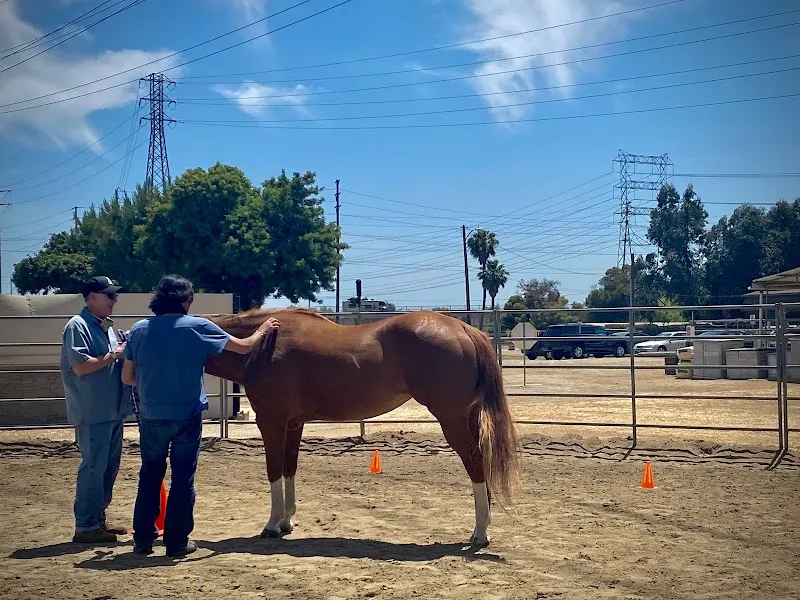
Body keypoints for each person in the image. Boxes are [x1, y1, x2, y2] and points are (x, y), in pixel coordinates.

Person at [122, 274, 279, 557]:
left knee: (150, 474)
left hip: (151, 416)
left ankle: (143, 540)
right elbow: (244, 347)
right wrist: (263, 330)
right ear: (188, 300)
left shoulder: (139, 330)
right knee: (183, 478)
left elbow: (127, 377)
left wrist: (152, 383)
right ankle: (177, 543)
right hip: (187, 414)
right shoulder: (198, 327)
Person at [60, 275, 131, 543]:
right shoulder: (77, 326)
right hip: (93, 410)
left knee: (108, 466)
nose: (115, 300)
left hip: (111, 409)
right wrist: (115, 354)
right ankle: (86, 525)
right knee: (93, 466)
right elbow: (80, 366)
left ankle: (97, 520)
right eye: (109, 295)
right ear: (92, 298)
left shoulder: (105, 327)